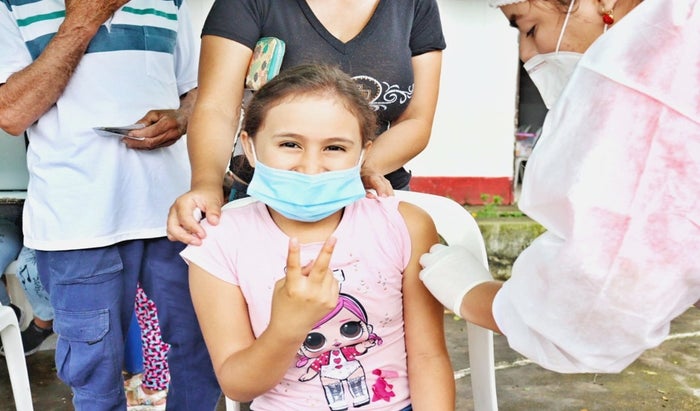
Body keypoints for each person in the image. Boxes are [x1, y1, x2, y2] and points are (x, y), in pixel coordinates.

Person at [419, 0, 700, 374]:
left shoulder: (660, 77)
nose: (526, 53)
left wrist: (473, 295)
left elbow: (599, 307)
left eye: (530, 28)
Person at [181, 64, 455, 410]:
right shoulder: (218, 242)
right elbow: (238, 386)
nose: (310, 167)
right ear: (249, 147)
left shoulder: (405, 226)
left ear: (363, 153)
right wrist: (287, 327)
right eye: (290, 144)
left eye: (335, 148)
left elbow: (428, 356)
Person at [0, 1, 222, 409]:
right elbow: (12, 114)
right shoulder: (11, 6)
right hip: (77, 224)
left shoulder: (170, 2)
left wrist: (183, 116)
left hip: (175, 213)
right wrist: (85, 18)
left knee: (203, 348)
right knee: (95, 375)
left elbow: (198, 91)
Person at [166, 0, 446, 246]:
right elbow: (217, 107)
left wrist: (352, 174)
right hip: (265, 201)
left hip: (371, 195)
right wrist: (206, 184)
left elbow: (416, 120)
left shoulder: (414, 5)